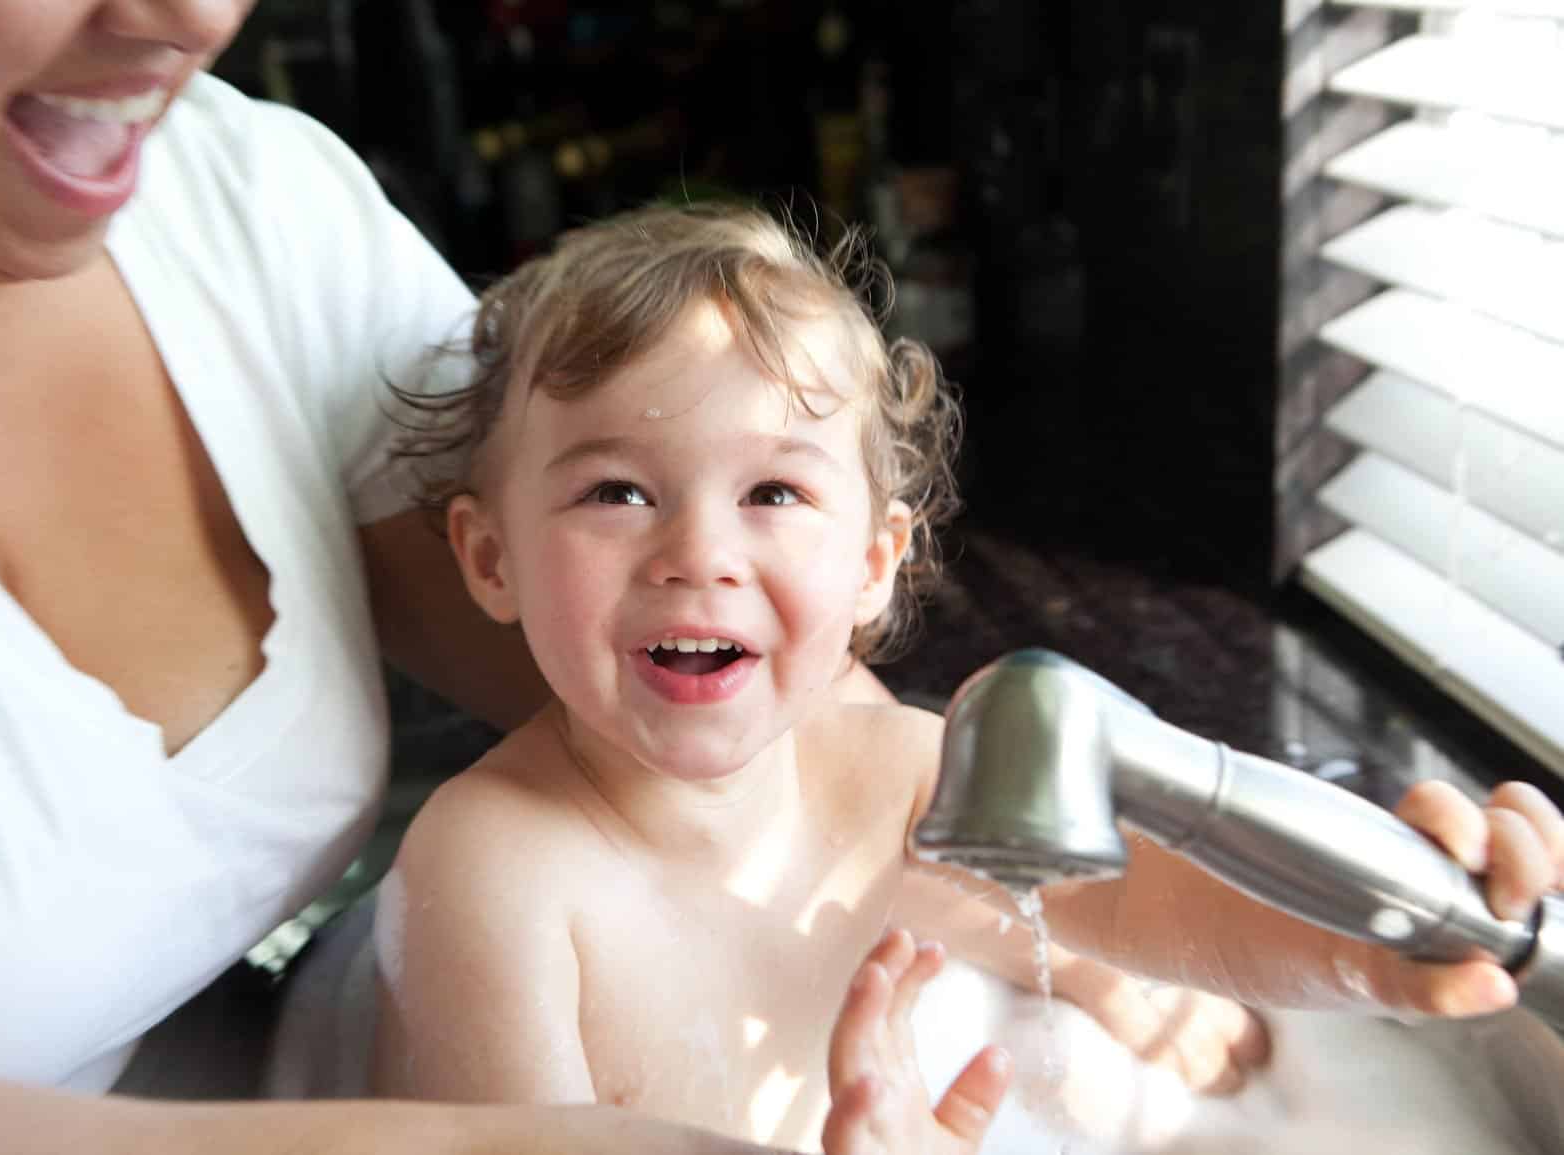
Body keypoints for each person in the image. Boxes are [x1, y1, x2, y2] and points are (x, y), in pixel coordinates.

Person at [0, 3, 918, 1153]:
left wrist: (1035, 945)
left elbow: (762, 728)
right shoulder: (488, 870)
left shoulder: (236, 202)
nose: (191, 16)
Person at [368, 202, 1564, 1151]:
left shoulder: (880, 771)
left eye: (773, 492)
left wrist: (1370, 947)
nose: (698, 556)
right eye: (614, 491)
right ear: (489, 557)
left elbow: (1145, 903)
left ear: (876, 563)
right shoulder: (495, 870)